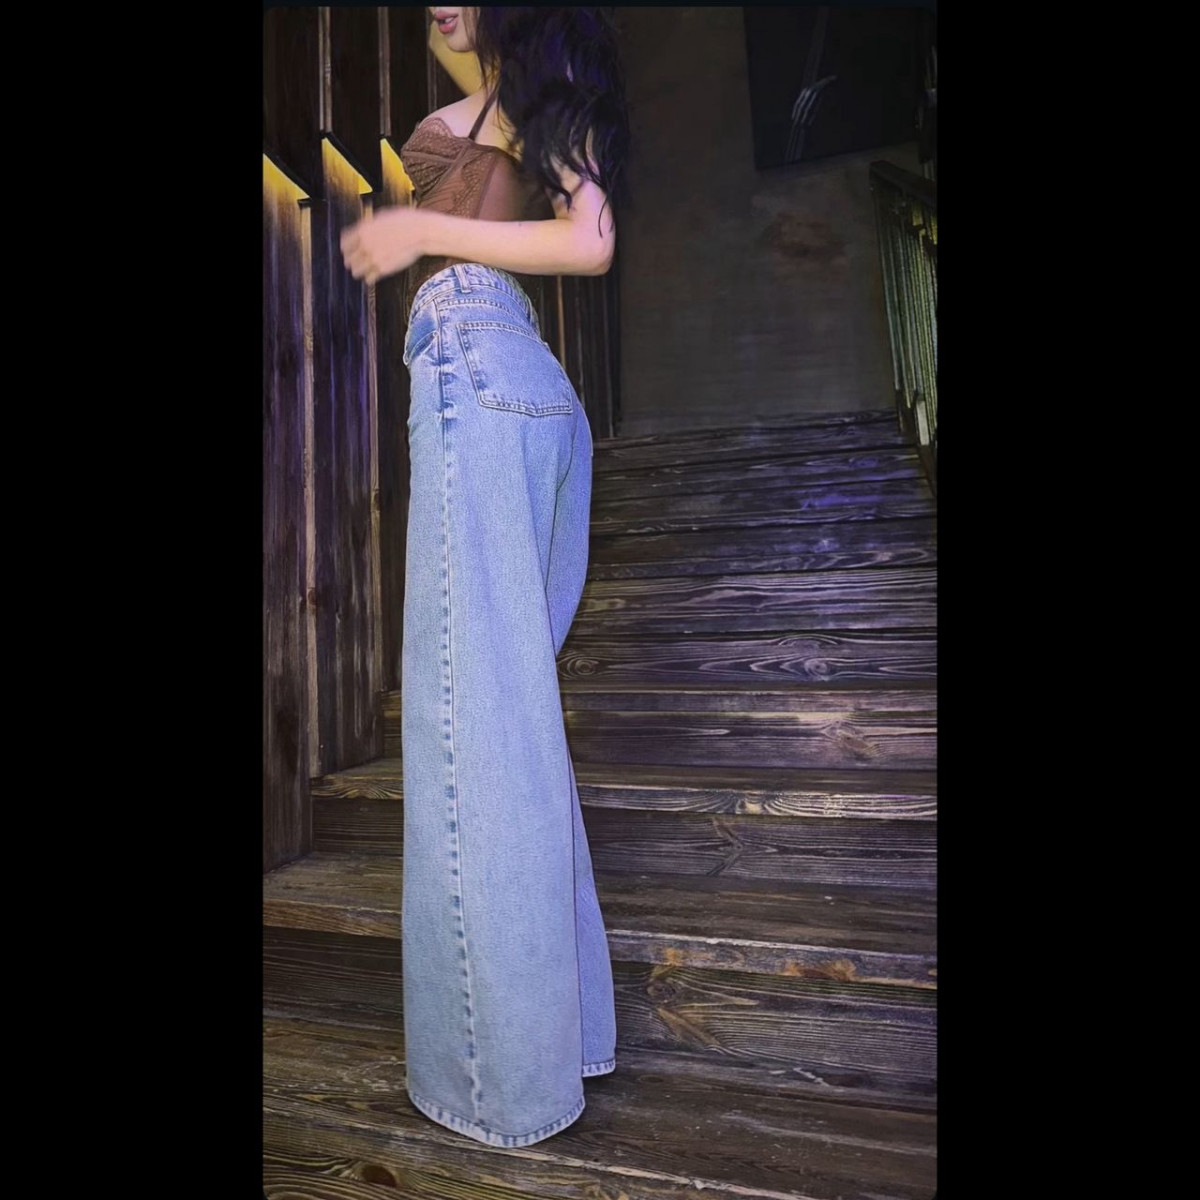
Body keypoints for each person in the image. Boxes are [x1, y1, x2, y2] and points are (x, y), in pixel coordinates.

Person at [340, 7, 630, 1149]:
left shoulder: (530, 86)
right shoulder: (515, 93)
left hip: (476, 360)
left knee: (472, 732)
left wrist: (419, 225)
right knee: (516, 730)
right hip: (528, 382)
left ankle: (498, 1087)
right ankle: (570, 1036)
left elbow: (590, 242)